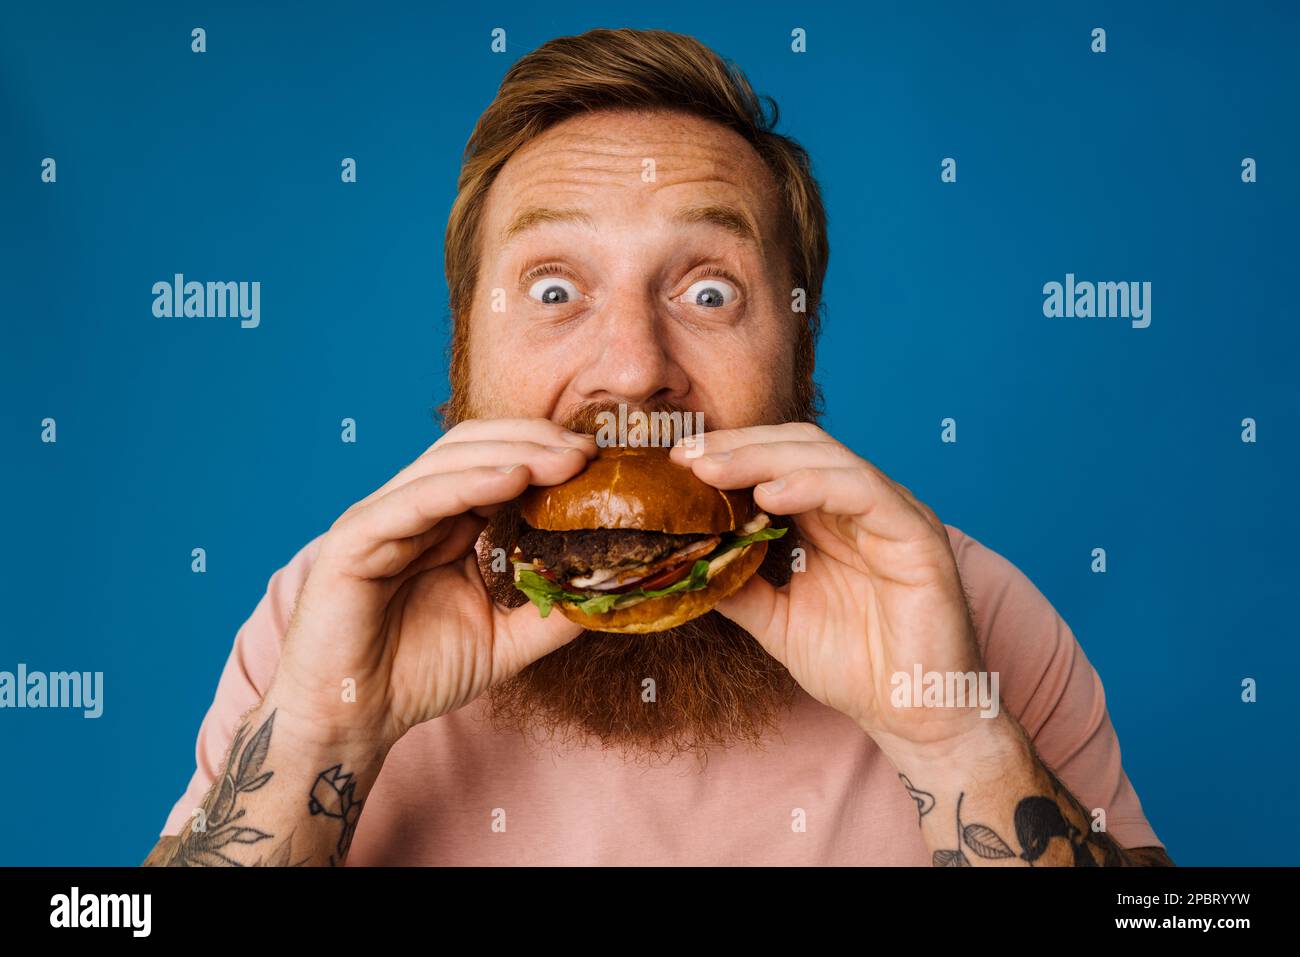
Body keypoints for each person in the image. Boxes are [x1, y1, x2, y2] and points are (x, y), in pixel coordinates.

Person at [142, 28, 1170, 867]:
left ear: (799, 351)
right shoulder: (333, 609)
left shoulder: (969, 610)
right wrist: (325, 731)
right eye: (553, 291)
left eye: (708, 292)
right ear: (465, 345)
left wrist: (954, 742)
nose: (634, 370)